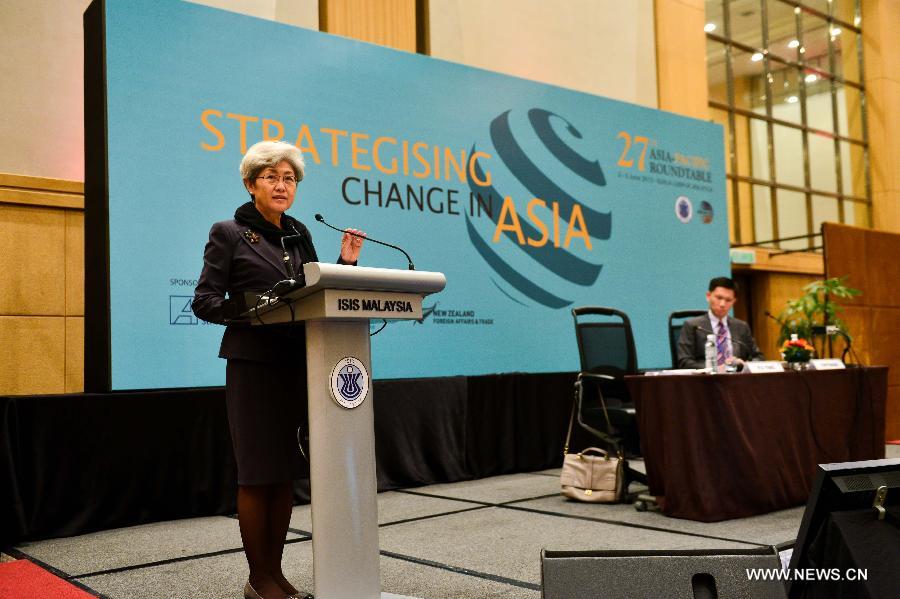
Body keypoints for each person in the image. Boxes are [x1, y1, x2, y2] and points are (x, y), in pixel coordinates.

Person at [192, 140, 365, 599]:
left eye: (289, 179)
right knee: (257, 474)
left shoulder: (298, 233)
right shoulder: (228, 232)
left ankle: (276, 575)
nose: (281, 185)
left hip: (297, 364)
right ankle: (258, 577)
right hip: (253, 366)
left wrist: (344, 266)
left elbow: (311, 291)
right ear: (251, 184)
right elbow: (205, 302)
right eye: (271, 177)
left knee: (284, 473)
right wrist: (254, 309)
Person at [676, 276, 764, 370]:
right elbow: (684, 362)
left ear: (734, 301)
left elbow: (759, 357)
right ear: (708, 296)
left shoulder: (741, 327)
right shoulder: (693, 326)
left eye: (728, 300)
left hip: (737, 380)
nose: (722, 304)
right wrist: (717, 368)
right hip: (705, 381)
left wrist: (744, 365)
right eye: (719, 298)